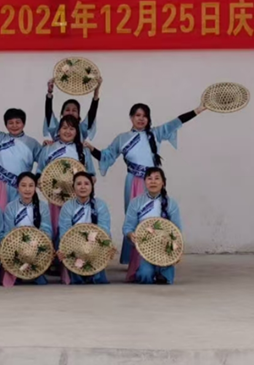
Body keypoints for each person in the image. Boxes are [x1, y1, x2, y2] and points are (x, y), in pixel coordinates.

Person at [86, 102, 204, 266]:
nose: (141, 119)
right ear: (131, 118)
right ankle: (133, 259)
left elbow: (177, 121)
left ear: (149, 118)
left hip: (153, 181)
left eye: (144, 116)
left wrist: (198, 110)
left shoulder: (155, 134)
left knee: (155, 215)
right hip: (133, 181)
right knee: (134, 218)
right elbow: (106, 156)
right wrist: (91, 149)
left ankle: (156, 254)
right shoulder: (122, 138)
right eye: (137, 115)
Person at [36, 115, 96, 248]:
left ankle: (73, 256)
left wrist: (89, 182)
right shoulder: (48, 149)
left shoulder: (84, 151)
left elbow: (92, 174)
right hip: (54, 195)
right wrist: (40, 181)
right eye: (64, 128)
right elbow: (39, 171)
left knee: (75, 224)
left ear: (77, 132)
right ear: (58, 130)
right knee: (55, 224)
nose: (67, 131)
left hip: (77, 197)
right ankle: (55, 257)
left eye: (71, 129)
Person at [123, 167, 183, 284]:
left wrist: (173, 247)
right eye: (149, 179)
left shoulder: (171, 204)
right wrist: (131, 235)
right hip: (144, 247)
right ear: (144, 182)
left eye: (157, 178)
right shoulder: (136, 202)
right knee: (145, 276)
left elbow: (177, 229)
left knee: (165, 279)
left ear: (163, 182)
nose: (153, 181)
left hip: (164, 248)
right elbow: (128, 226)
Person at [56, 172, 114, 285]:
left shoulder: (100, 205)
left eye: (86, 183)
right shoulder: (67, 206)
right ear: (73, 187)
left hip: (95, 246)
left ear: (92, 186)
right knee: (76, 278)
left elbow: (104, 229)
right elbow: (64, 231)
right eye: (79, 184)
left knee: (97, 278)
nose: (83, 187)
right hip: (73, 246)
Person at [0, 172, 53, 287]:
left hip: (37, 247)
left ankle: (36, 271)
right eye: (23, 185)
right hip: (16, 247)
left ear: (35, 188)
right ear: (17, 187)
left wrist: (35, 243)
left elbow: (47, 230)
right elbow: (8, 232)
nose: (27, 189)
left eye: (31, 185)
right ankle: (17, 272)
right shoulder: (10, 207)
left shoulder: (42, 206)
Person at [43, 76, 102, 141]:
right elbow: (49, 114)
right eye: (67, 110)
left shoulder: (81, 129)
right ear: (62, 113)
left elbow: (91, 116)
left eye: (74, 110)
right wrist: (49, 93)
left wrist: (96, 93)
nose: (70, 113)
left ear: (78, 115)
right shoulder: (57, 128)